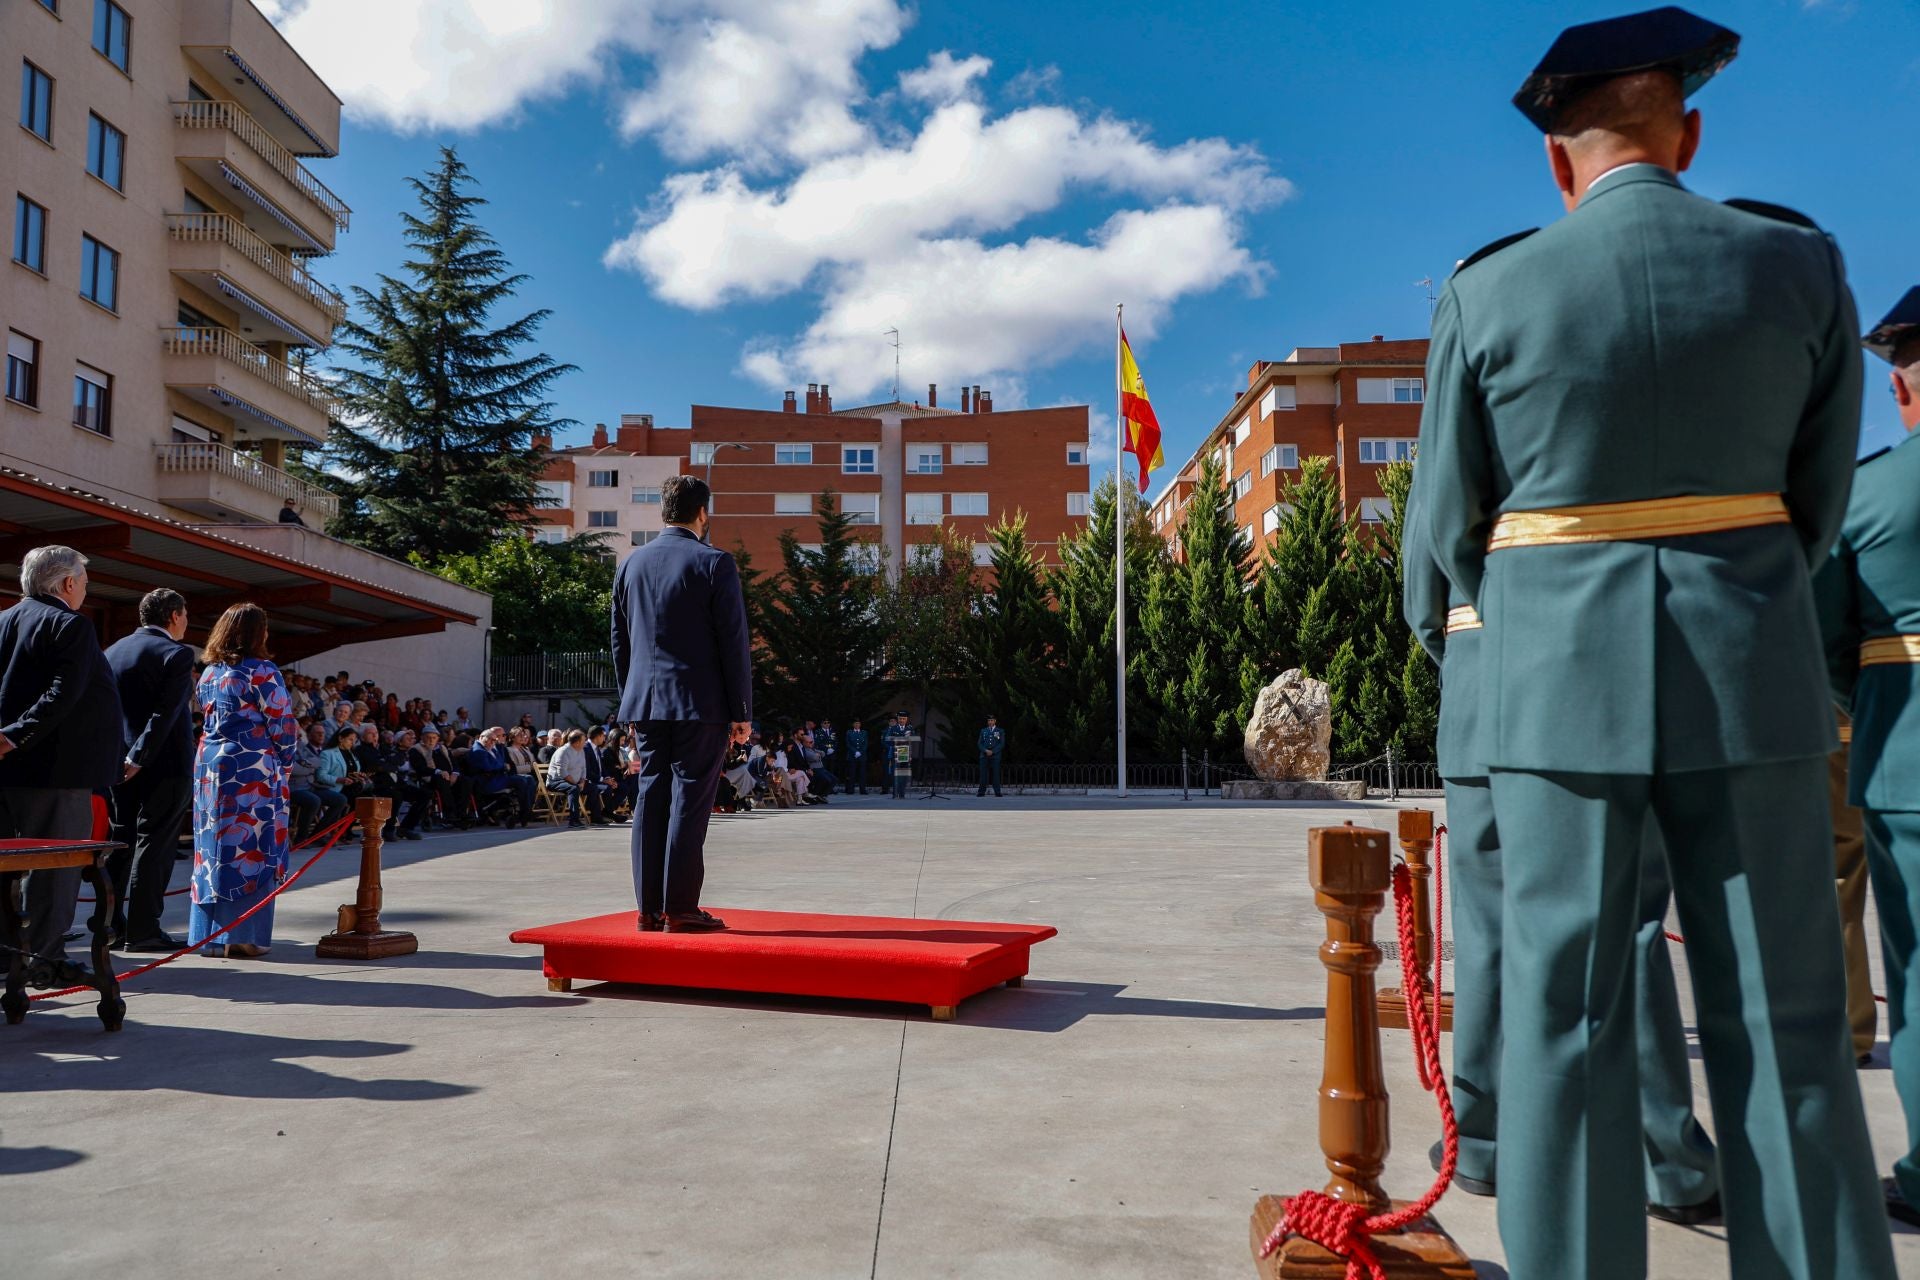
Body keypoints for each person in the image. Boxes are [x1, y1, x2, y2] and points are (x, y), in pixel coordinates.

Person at [1414, 10, 1894, 1276]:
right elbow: (1817, 502)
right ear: (1688, 133)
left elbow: (1451, 525)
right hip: (1751, 672)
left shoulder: (1488, 289)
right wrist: (1737, 592)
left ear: (1556, 159)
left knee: (1566, 1018)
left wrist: (1547, 619)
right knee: (1787, 1014)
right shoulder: (1798, 265)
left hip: (1555, 689)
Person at [1404, 491, 1719, 1218]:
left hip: (1484, 681)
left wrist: (1476, 657)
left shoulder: (1463, 425)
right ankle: (1664, 1159)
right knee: (1627, 921)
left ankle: (1483, 1142)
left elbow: (1423, 596)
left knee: (1487, 935)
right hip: (1608, 675)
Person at [1815, 286, 1920, 1227]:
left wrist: (1866, 707)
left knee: (1914, 967)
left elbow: (1827, 635)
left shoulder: (1870, 493)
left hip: (1902, 751)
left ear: (1902, 389)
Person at [612, 474, 751, 933]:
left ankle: (648, 909)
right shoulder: (715, 562)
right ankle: (682, 909)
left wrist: (630, 704)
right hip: (700, 704)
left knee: (650, 798)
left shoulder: (629, 565)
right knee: (690, 801)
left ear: (663, 510)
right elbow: (733, 642)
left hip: (645, 704)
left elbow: (620, 642)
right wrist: (741, 712)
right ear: (703, 512)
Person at [0, 546, 123, 984]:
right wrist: (13, 735)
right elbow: (62, 692)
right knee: (54, 868)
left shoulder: (4, 620)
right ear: (68, 583)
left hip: (10, 769)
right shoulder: (69, 624)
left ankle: (8, 954)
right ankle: (44, 961)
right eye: (84, 584)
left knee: (7, 868)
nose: (84, 592)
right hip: (55, 772)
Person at [189, 604, 299, 959]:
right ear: (256, 633)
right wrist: (286, 763)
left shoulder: (209, 673)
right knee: (252, 846)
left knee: (212, 850)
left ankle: (210, 939)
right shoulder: (262, 671)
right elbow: (282, 724)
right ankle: (245, 937)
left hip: (210, 766)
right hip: (251, 766)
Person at [102, 588, 196, 953]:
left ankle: (108, 925)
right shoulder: (176, 653)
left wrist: (122, 757)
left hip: (118, 764)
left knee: (120, 843)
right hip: (164, 764)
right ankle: (143, 931)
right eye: (184, 614)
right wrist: (139, 757)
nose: (186, 621)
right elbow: (166, 713)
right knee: (155, 845)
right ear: (173, 615)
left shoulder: (113, 651)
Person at [289, 722, 348, 843]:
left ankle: (317, 835)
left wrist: (305, 764)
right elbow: (292, 769)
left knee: (340, 799)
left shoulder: (301, 745)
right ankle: (301, 839)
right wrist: (309, 767)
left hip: (311, 786)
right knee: (313, 801)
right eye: (296, 732)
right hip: (294, 788)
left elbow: (317, 761)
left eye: (299, 732)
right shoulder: (285, 747)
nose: (299, 735)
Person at [410, 727, 472, 830]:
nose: (431, 740)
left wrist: (455, 773)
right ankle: (450, 812)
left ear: (438, 738)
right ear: (422, 737)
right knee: (442, 780)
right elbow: (420, 768)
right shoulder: (416, 749)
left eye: (434, 737)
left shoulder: (442, 748)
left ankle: (462, 813)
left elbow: (454, 763)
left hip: (449, 776)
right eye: (428, 737)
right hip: (430, 777)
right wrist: (438, 772)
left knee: (466, 781)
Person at [546, 728, 601, 829]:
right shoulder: (563, 751)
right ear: (577, 742)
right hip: (557, 781)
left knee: (593, 788)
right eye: (583, 740)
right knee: (573, 789)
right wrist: (576, 784)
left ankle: (596, 819)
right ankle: (574, 821)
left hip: (576, 781)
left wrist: (582, 782)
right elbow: (562, 773)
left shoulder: (581, 750)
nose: (585, 742)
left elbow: (584, 768)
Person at [883, 712, 914, 800]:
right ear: (898, 719)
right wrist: (896, 741)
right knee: (895, 774)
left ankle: (902, 793)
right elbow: (887, 740)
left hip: (904, 753)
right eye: (900, 718)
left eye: (904, 719)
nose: (902, 720)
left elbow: (913, 739)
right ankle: (895, 793)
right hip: (895, 752)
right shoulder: (893, 728)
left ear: (906, 720)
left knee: (903, 774)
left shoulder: (909, 728)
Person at [976, 715, 1005, 798]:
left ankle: (997, 792)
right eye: (989, 720)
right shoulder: (983, 731)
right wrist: (985, 750)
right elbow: (979, 743)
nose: (990, 722)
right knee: (983, 775)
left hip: (995, 755)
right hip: (984, 755)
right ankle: (981, 792)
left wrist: (993, 751)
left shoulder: (1000, 731)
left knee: (996, 774)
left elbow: (1001, 744)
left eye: (992, 720)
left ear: (995, 721)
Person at [844, 719, 868, 794]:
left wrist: (860, 752)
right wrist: (855, 751)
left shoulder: (864, 732)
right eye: (855, 723)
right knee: (852, 773)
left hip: (862, 755)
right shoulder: (849, 732)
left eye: (858, 723)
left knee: (862, 774)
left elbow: (865, 744)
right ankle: (850, 790)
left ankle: (863, 790)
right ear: (853, 724)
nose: (857, 725)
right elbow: (848, 744)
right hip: (852, 755)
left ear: (860, 724)